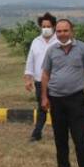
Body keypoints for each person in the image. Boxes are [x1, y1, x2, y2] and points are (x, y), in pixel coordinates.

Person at [40, 19, 84, 167]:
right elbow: (45, 74)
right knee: (59, 136)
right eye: (58, 31)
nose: (62, 34)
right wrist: (44, 97)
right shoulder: (51, 50)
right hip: (56, 99)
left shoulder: (82, 48)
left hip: (76, 98)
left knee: (80, 136)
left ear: (72, 31)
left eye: (65, 31)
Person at [24, 12, 59, 142]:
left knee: (57, 109)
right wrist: (28, 79)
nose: (46, 28)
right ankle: (37, 133)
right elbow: (30, 61)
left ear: (54, 26)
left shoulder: (59, 41)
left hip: (56, 81)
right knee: (42, 107)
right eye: (43, 26)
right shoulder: (36, 42)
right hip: (40, 82)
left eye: (48, 26)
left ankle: (60, 134)